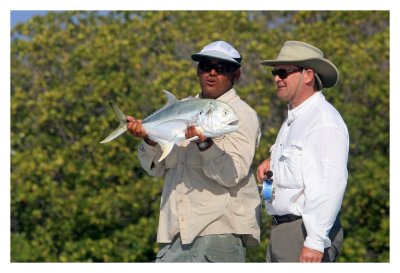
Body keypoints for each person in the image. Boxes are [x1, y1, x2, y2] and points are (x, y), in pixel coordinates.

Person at [127, 41, 261, 262]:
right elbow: (156, 168)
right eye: (205, 66)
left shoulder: (240, 115)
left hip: (217, 233)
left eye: (222, 68)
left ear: (236, 74)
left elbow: (232, 175)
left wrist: (205, 144)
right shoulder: (183, 107)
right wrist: (149, 140)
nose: (211, 73)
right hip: (176, 235)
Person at [257, 41, 349, 262]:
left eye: (283, 72)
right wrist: (273, 162)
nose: (276, 78)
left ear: (308, 76)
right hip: (284, 232)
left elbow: (330, 184)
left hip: (303, 235)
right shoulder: (297, 117)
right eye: (274, 72)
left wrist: (315, 242)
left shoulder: (323, 121)